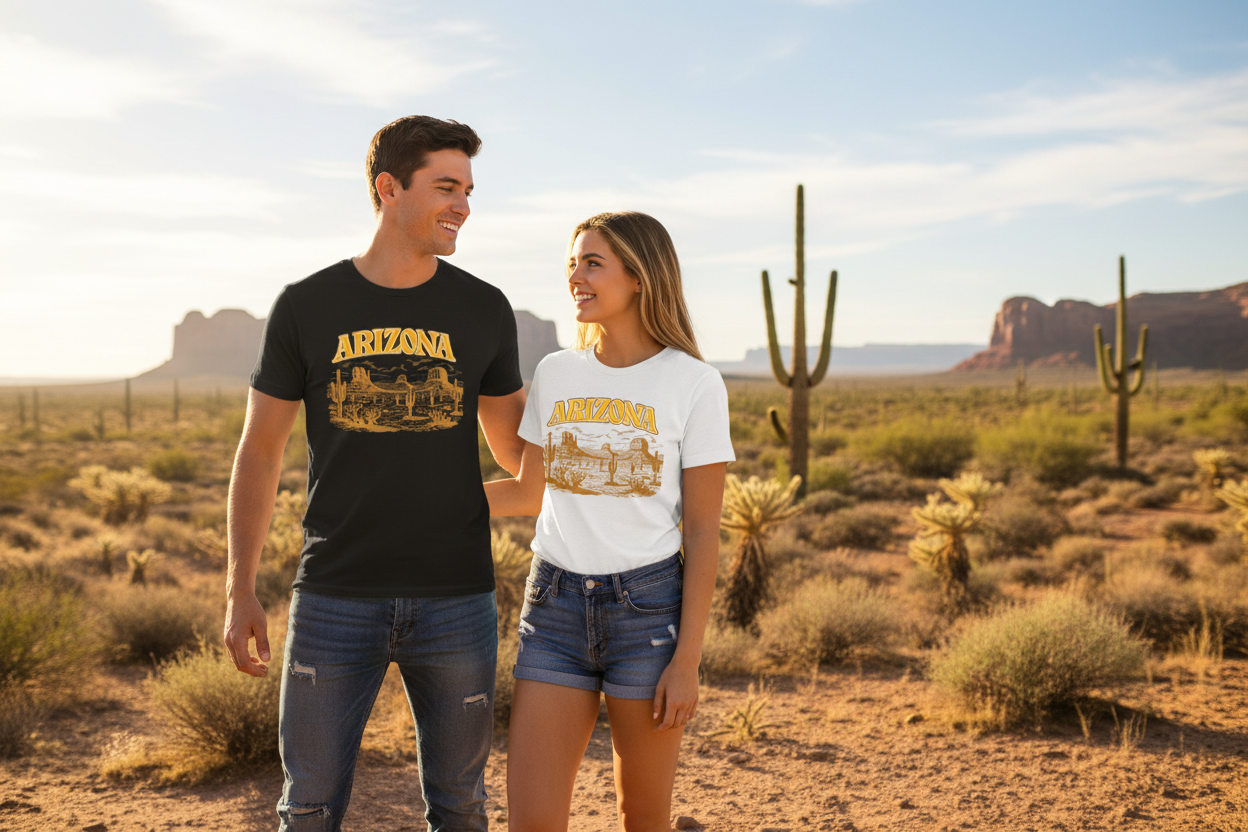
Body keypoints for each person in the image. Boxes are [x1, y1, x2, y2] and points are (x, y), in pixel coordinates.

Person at [223, 115, 526, 831]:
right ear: (389, 188)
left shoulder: (483, 308)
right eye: (446, 186)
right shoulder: (308, 305)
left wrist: (617, 404)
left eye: (469, 189)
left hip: (457, 599)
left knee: (460, 806)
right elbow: (260, 451)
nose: (464, 205)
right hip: (334, 596)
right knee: (309, 806)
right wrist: (239, 587)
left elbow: (521, 455)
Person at [486, 211, 734, 831]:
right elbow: (527, 492)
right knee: (533, 822)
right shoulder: (556, 372)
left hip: (647, 618)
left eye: (592, 262)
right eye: (572, 262)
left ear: (640, 277)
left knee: (642, 816)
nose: (576, 276)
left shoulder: (695, 383)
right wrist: (417, 500)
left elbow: (704, 530)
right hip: (555, 610)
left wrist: (687, 661)